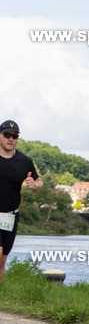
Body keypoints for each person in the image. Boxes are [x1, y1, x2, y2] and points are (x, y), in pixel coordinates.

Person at [0, 120, 43, 283]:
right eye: (7, 135)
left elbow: (40, 184)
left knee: (2, 259)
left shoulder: (24, 161)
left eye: (14, 136)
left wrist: (34, 185)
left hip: (10, 217)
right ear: (0, 136)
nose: (11, 139)